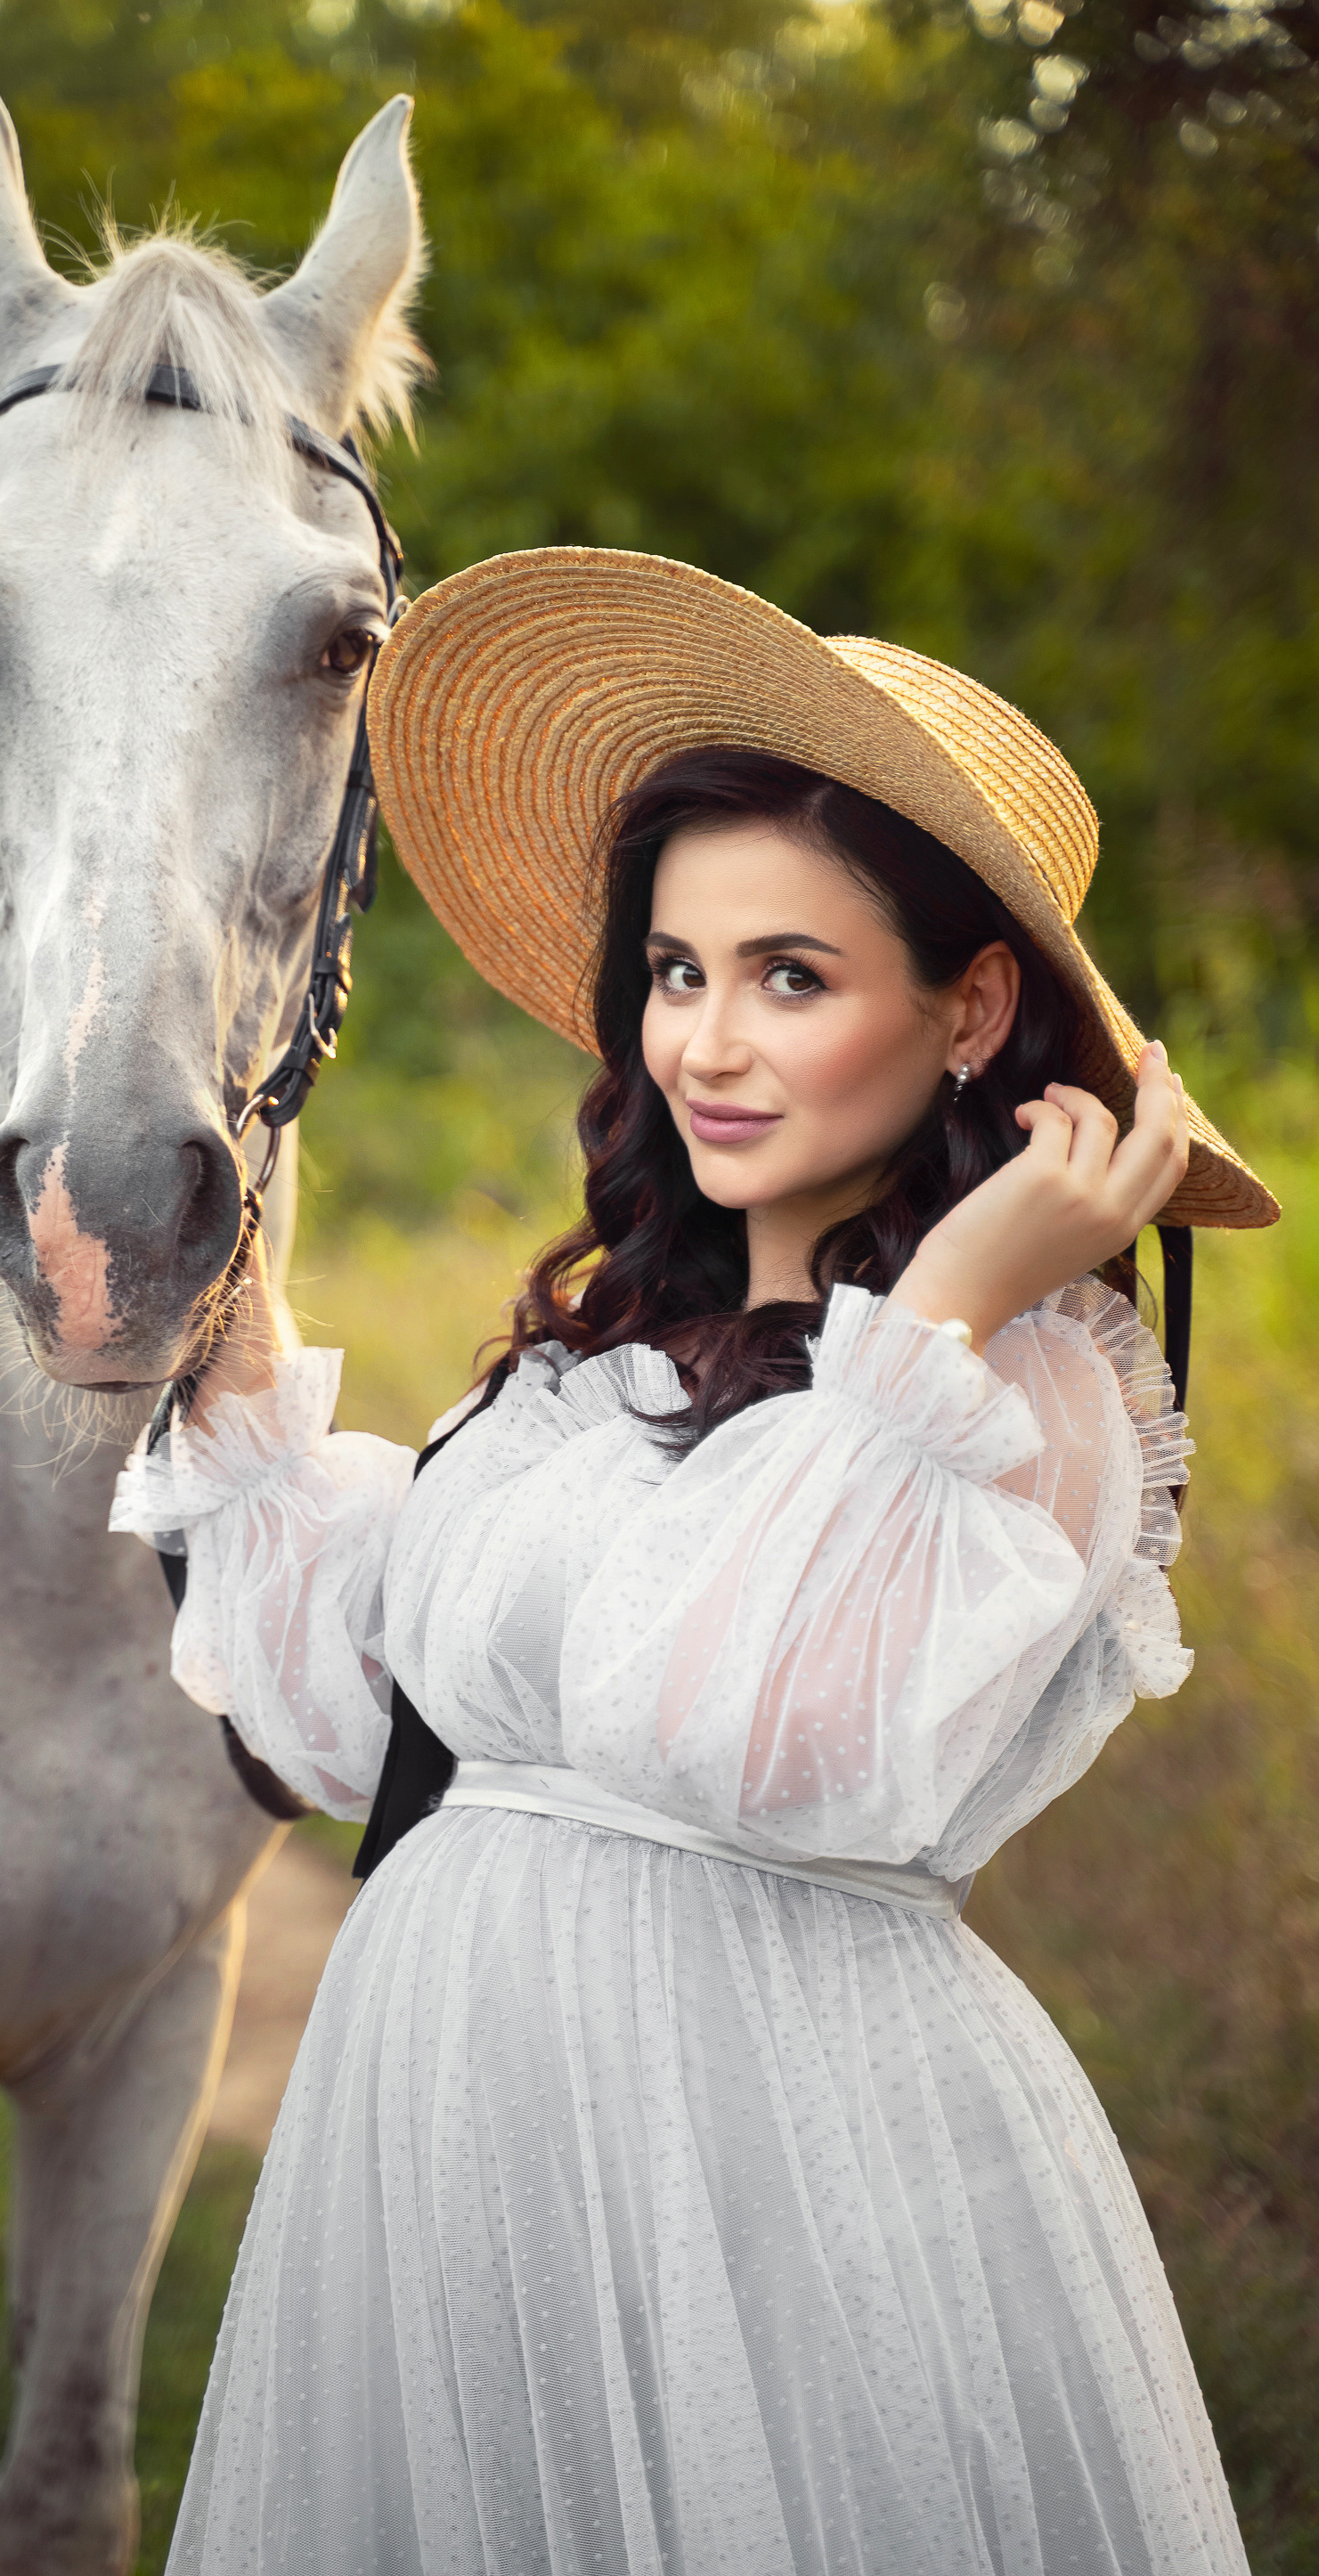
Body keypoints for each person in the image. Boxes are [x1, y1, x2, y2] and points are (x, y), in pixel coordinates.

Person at [111, 550, 1276, 2576]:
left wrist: (948, 1298)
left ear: (970, 1003)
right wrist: (216, 1273)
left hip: (769, 2169)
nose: (707, 1045)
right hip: (449, 2128)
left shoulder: (1029, 1392)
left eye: (791, 976)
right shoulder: (610, 1356)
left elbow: (736, 1730)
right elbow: (375, 1718)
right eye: (675, 968)